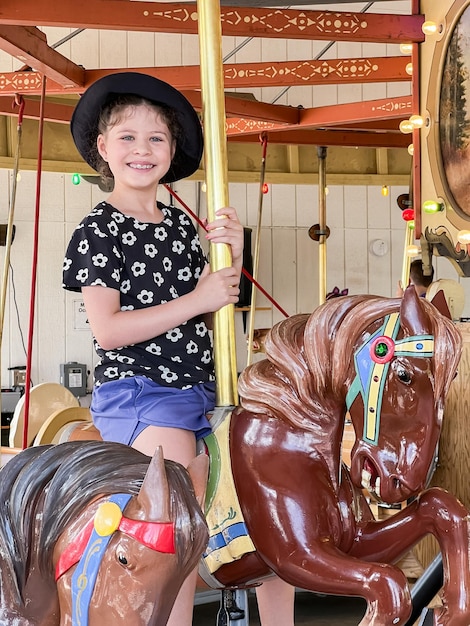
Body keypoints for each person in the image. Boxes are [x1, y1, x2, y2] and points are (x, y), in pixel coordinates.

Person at [62, 72, 295, 626]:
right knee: (178, 507)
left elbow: (218, 308)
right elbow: (109, 330)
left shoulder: (181, 228)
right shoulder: (99, 228)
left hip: (201, 387)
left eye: (157, 139)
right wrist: (197, 298)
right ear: (103, 147)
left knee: (273, 496)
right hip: (141, 390)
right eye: (128, 137)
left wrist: (232, 258)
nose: (142, 150)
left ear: (171, 151)